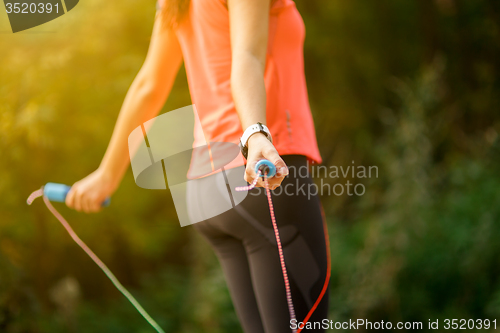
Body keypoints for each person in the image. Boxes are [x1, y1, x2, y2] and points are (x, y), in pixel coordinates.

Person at [65, 0, 330, 331]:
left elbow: (149, 85)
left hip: (206, 191)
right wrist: (256, 135)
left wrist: (108, 174)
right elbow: (246, 58)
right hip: (260, 175)